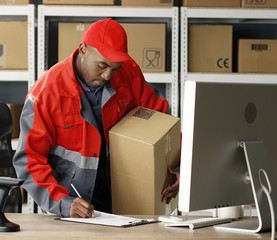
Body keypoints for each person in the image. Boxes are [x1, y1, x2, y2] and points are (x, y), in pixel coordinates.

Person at [13, 18, 179, 218]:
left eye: (115, 68)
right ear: (83, 49)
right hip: (73, 206)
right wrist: (62, 203)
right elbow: (29, 160)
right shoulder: (46, 93)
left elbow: (162, 126)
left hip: (125, 200)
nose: (108, 75)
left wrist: (179, 167)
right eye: (102, 65)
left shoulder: (128, 75)